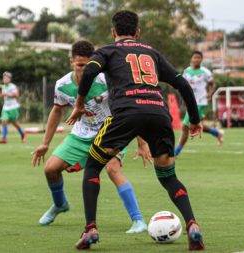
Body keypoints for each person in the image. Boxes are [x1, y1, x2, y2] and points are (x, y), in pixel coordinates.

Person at [66, 11, 205, 251]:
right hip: (159, 115)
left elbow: (89, 71)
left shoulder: (108, 51)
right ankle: (192, 224)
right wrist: (194, 119)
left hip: (126, 114)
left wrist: (79, 104)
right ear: (138, 32)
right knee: (168, 176)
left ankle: (90, 229)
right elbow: (182, 83)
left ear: (113, 32)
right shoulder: (152, 53)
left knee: (92, 166)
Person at [31, 40, 151, 233]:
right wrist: (45, 143)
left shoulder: (106, 80)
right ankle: (60, 204)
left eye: (89, 65)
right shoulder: (62, 85)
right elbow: (56, 111)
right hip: (81, 135)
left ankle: (138, 221)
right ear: (71, 62)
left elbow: (129, 107)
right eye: (80, 65)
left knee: (112, 169)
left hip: (111, 132)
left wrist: (142, 142)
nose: (85, 70)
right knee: (50, 169)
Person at [174, 51, 223, 157]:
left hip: (200, 102)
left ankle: (175, 153)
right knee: (196, 125)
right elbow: (183, 86)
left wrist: (210, 93)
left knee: (185, 126)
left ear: (201, 59)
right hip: (190, 101)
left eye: (199, 58)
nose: (197, 59)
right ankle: (217, 133)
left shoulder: (205, 72)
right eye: (195, 57)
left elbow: (212, 84)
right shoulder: (186, 71)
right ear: (191, 59)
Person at [0, 71, 26, 143]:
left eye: (6, 78)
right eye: (4, 78)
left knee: (15, 123)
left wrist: (7, 94)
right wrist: (2, 95)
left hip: (13, 107)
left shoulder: (12, 86)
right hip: (5, 108)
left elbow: (17, 95)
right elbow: (3, 95)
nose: (5, 79)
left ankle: (23, 134)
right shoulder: (3, 86)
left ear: (9, 79)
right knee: (4, 121)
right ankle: (4, 138)